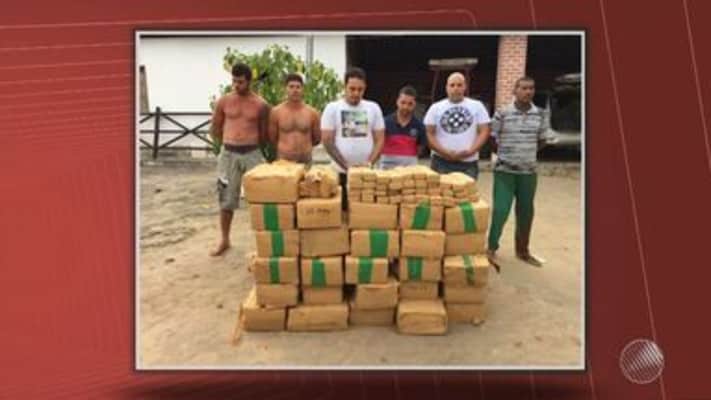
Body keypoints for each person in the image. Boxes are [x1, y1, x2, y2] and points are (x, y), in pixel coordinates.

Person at [487, 76, 557, 267]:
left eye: (531, 88)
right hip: (505, 171)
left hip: (528, 173)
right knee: (501, 210)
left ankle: (523, 251)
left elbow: (542, 140)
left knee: (526, 212)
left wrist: (526, 152)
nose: (528, 92)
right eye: (524, 88)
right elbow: (491, 138)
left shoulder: (540, 114)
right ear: (515, 91)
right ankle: (491, 248)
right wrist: (506, 154)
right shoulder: (503, 113)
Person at [209, 62, 270, 256]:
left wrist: (249, 141)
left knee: (262, 199)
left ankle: (264, 243)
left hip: (253, 153)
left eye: (241, 82)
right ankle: (224, 240)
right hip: (229, 154)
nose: (237, 85)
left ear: (249, 81)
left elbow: (265, 134)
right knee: (226, 199)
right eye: (234, 81)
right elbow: (215, 128)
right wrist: (230, 141)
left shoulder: (260, 104)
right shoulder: (224, 101)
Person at [320, 67, 385, 209]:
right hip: (340, 172)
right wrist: (346, 167)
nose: (356, 93)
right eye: (352, 89)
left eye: (360, 89)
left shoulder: (373, 108)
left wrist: (369, 163)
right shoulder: (332, 108)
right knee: (341, 213)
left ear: (365, 88)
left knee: (363, 213)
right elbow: (327, 141)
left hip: (366, 174)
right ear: (344, 87)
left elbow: (380, 139)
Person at [423, 72, 491, 180]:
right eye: (452, 85)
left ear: (465, 87)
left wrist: (471, 151)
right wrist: (444, 153)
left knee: (467, 191)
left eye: (459, 85)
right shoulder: (435, 108)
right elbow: (429, 133)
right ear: (446, 87)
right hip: (441, 162)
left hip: (468, 162)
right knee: (441, 191)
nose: (456, 88)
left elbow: (484, 131)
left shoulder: (477, 106)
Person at [268, 73, 321, 165]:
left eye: (298, 87)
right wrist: (287, 150)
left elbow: (317, 139)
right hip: (284, 161)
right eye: (291, 87)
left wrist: (303, 149)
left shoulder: (312, 113)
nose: (295, 90)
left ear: (303, 89)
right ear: (285, 89)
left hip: (305, 161)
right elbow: (272, 138)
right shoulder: (276, 112)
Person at [378, 85, 427, 169]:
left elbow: (420, 148)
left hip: (410, 169)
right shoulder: (385, 122)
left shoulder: (419, 126)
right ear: (397, 102)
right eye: (403, 102)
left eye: (410, 104)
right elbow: (378, 143)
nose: (405, 107)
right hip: (387, 168)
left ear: (415, 104)